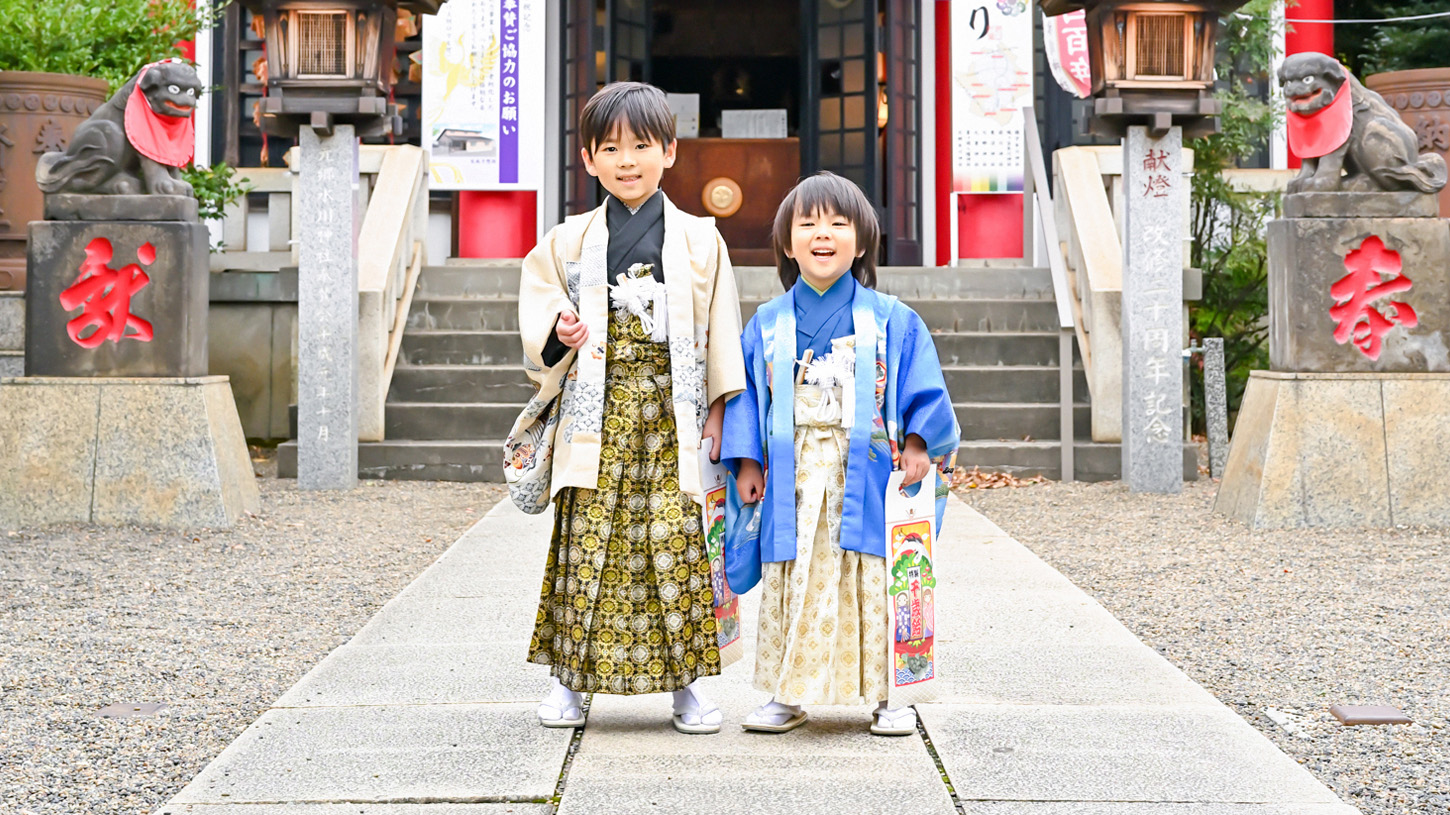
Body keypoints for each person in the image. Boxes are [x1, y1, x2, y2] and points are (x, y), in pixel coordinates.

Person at [521, 81, 747, 734]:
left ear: (671, 151)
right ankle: (570, 683)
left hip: (669, 411)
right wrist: (556, 328)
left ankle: (687, 688)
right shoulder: (567, 240)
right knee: (587, 545)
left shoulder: (701, 240)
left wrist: (719, 409)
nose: (627, 160)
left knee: (673, 544)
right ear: (588, 159)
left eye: (642, 145)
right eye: (610, 148)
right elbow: (540, 301)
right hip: (597, 407)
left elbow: (720, 327)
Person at [723, 172, 958, 736]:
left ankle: (891, 694)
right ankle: (788, 690)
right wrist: (748, 460)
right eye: (807, 224)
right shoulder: (768, 322)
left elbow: (923, 386)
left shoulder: (893, 318)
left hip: (870, 472)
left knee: (876, 577)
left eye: (837, 223)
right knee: (795, 573)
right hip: (793, 472)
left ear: (862, 240)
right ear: (786, 242)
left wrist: (921, 442)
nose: (821, 234)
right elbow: (748, 397)